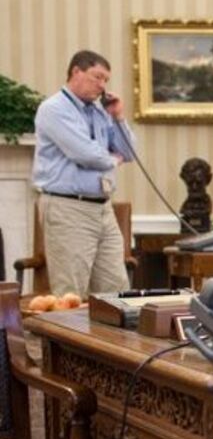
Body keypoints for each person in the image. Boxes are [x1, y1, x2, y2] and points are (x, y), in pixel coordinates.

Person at [31, 50, 138, 297]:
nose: (102, 86)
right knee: (71, 291)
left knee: (116, 290)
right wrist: (112, 159)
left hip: (103, 207)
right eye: (97, 77)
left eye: (105, 81)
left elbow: (129, 152)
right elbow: (84, 153)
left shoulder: (100, 111)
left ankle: (112, 337)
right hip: (68, 208)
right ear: (76, 71)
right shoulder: (54, 109)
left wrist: (119, 117)